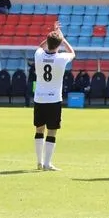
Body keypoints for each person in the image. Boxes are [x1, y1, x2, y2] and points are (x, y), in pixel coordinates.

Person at [32, 22, 75, 171]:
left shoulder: (38, 55)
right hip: (54, 99)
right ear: (58, 45)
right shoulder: (61, 58)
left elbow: (40, 47)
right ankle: (47, 164)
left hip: (39, 98)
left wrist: (52, 33)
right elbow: (73, 53)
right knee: (52, 131)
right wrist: (63, 39)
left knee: (39, 129)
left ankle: (39, 161)